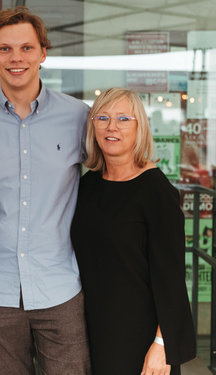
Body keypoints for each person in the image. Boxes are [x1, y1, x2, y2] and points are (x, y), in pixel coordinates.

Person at [0, 6, 91, 375]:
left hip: (59, 286)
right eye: (5, 49)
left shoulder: (78, 117)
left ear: (43, 53)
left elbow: (116, 174)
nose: (16, 58)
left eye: (26, 48)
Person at [70, 87, 196, 375]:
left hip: (140, 336)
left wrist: (161, 344)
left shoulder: (155, 191)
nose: (111, 126)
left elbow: (172, 276)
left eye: (123, 118)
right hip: (92, 328)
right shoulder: (88, 185)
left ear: (140, 127)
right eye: (102, 117)